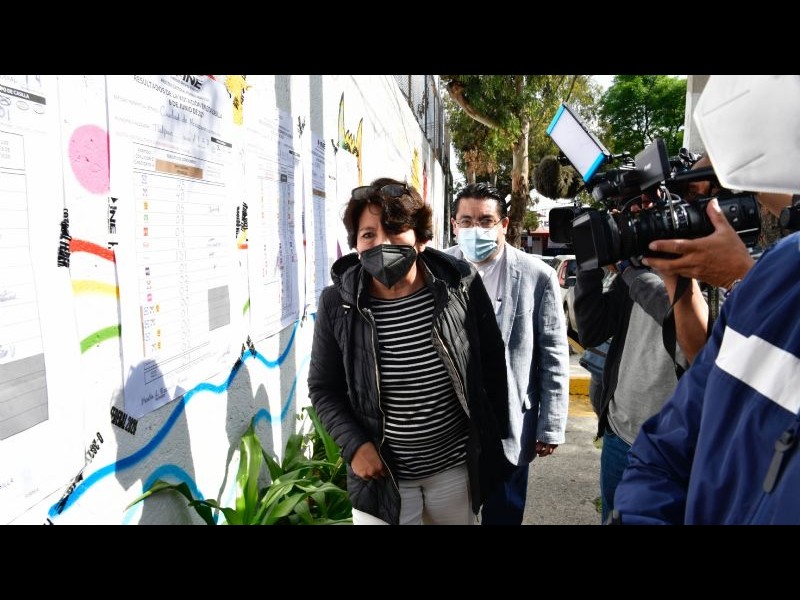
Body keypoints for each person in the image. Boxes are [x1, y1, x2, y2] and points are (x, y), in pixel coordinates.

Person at [612, 74, 800, 524]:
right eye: (688, 195)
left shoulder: (768, 262)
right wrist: (672, 275)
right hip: (634, 433)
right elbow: (678, 433)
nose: (696, 209)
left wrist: (741, 278)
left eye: (711, 192)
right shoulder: (781, 265)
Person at [307, 177, 509, 525]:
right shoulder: (337, 304)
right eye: (368, 234)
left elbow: (492, 362)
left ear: (421, 238)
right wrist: (355, 446)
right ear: (356, 244)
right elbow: (323, 388)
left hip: (453, 470)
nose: (381, 243)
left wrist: (493, 438)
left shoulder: (460, 286)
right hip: (382, 478)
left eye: (395, 229)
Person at [573, 194, 706, 523]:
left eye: (647, 203)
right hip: (621, 434)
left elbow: (686, 326)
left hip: (676, 447)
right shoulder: (636, 265)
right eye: (631, 207)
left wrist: (629, 270)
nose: (636, 214)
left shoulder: (711, 262)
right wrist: (590, 260)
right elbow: (591, 330)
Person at [445, 182, 569, 525]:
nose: (476, 229)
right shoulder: (436, 269)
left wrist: (551, 425)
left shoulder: (537, 276)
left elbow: (553, 355)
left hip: (510, 422)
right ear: (454, 225)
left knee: (504, 515)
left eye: (486, 221)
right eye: (466, 221)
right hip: (452, 424)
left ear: (504, 224)